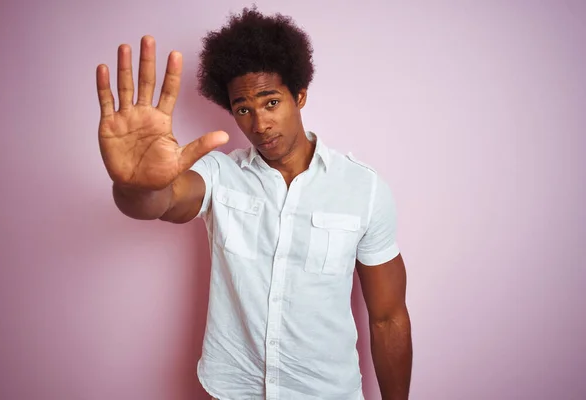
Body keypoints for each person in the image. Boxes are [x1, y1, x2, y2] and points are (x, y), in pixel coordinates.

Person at [96, 6, 412, 400]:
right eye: (243, 109)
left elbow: (387, 318)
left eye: (271, 102)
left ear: (299, 95)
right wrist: (136, 185)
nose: (258, 124)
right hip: (232, 390)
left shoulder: (363, 188)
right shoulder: (218, 173)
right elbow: (163, 202)